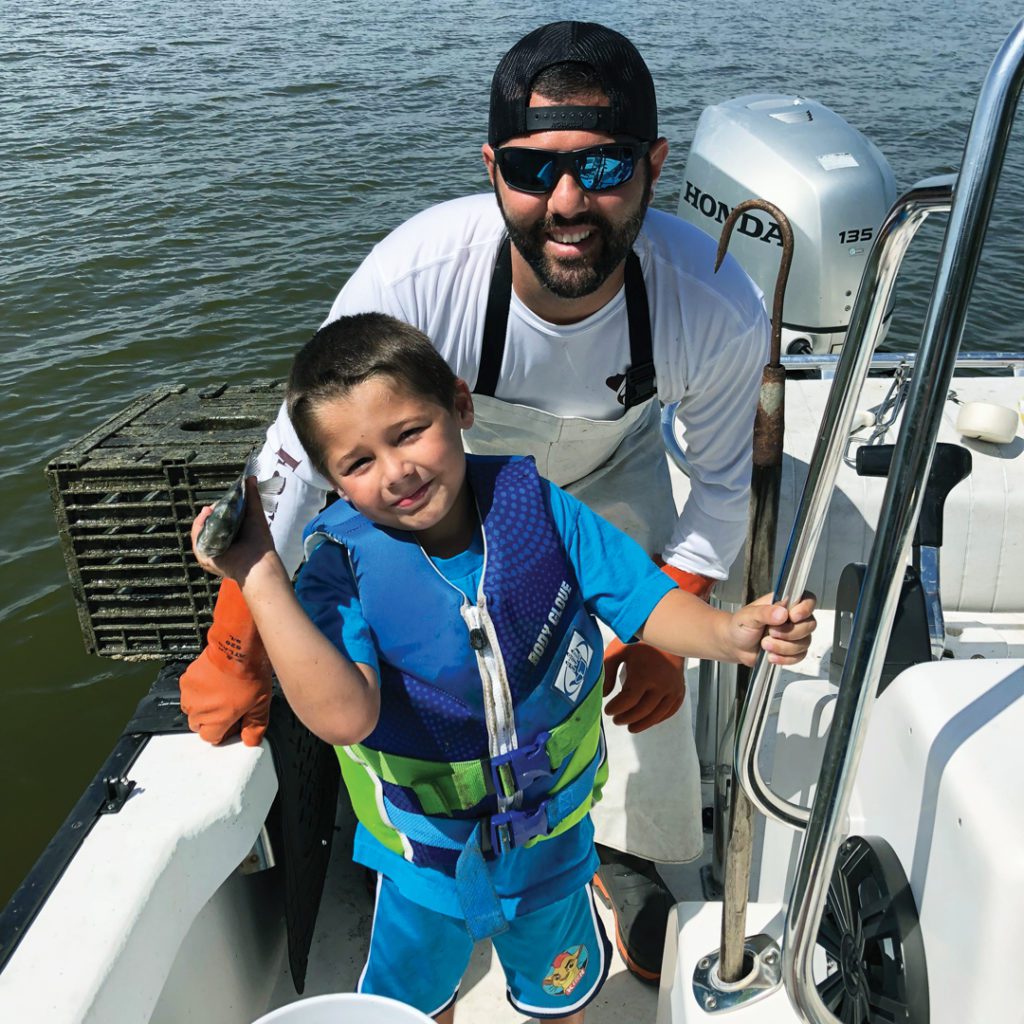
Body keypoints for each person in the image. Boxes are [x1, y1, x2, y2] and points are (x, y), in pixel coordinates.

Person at [180, 20, 773, 981]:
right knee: (426, 674)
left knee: (654, 703)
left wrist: (668, 626)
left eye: (606, 165)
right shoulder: (418, 275)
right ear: (493, 167)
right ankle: (426, 858)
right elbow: (294, 464)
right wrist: (235, 644)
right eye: (535, 171)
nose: (570, 203)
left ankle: (627, 860)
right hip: (438, 485)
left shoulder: (711, 301)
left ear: (657, 165)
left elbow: (716, 483)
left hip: (606, 479)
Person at [191, 313, 816, 1023]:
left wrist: (729, 633)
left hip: (551, 845)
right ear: (331, 481)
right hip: (424, 862)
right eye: (357, 464)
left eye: (408, 432)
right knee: (416, 1003)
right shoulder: (339, 568)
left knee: (562, 998)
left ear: (460, 406)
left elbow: (641, 599)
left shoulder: (539, 507)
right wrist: (260, 576)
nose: (397, 472)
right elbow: (343, 716)